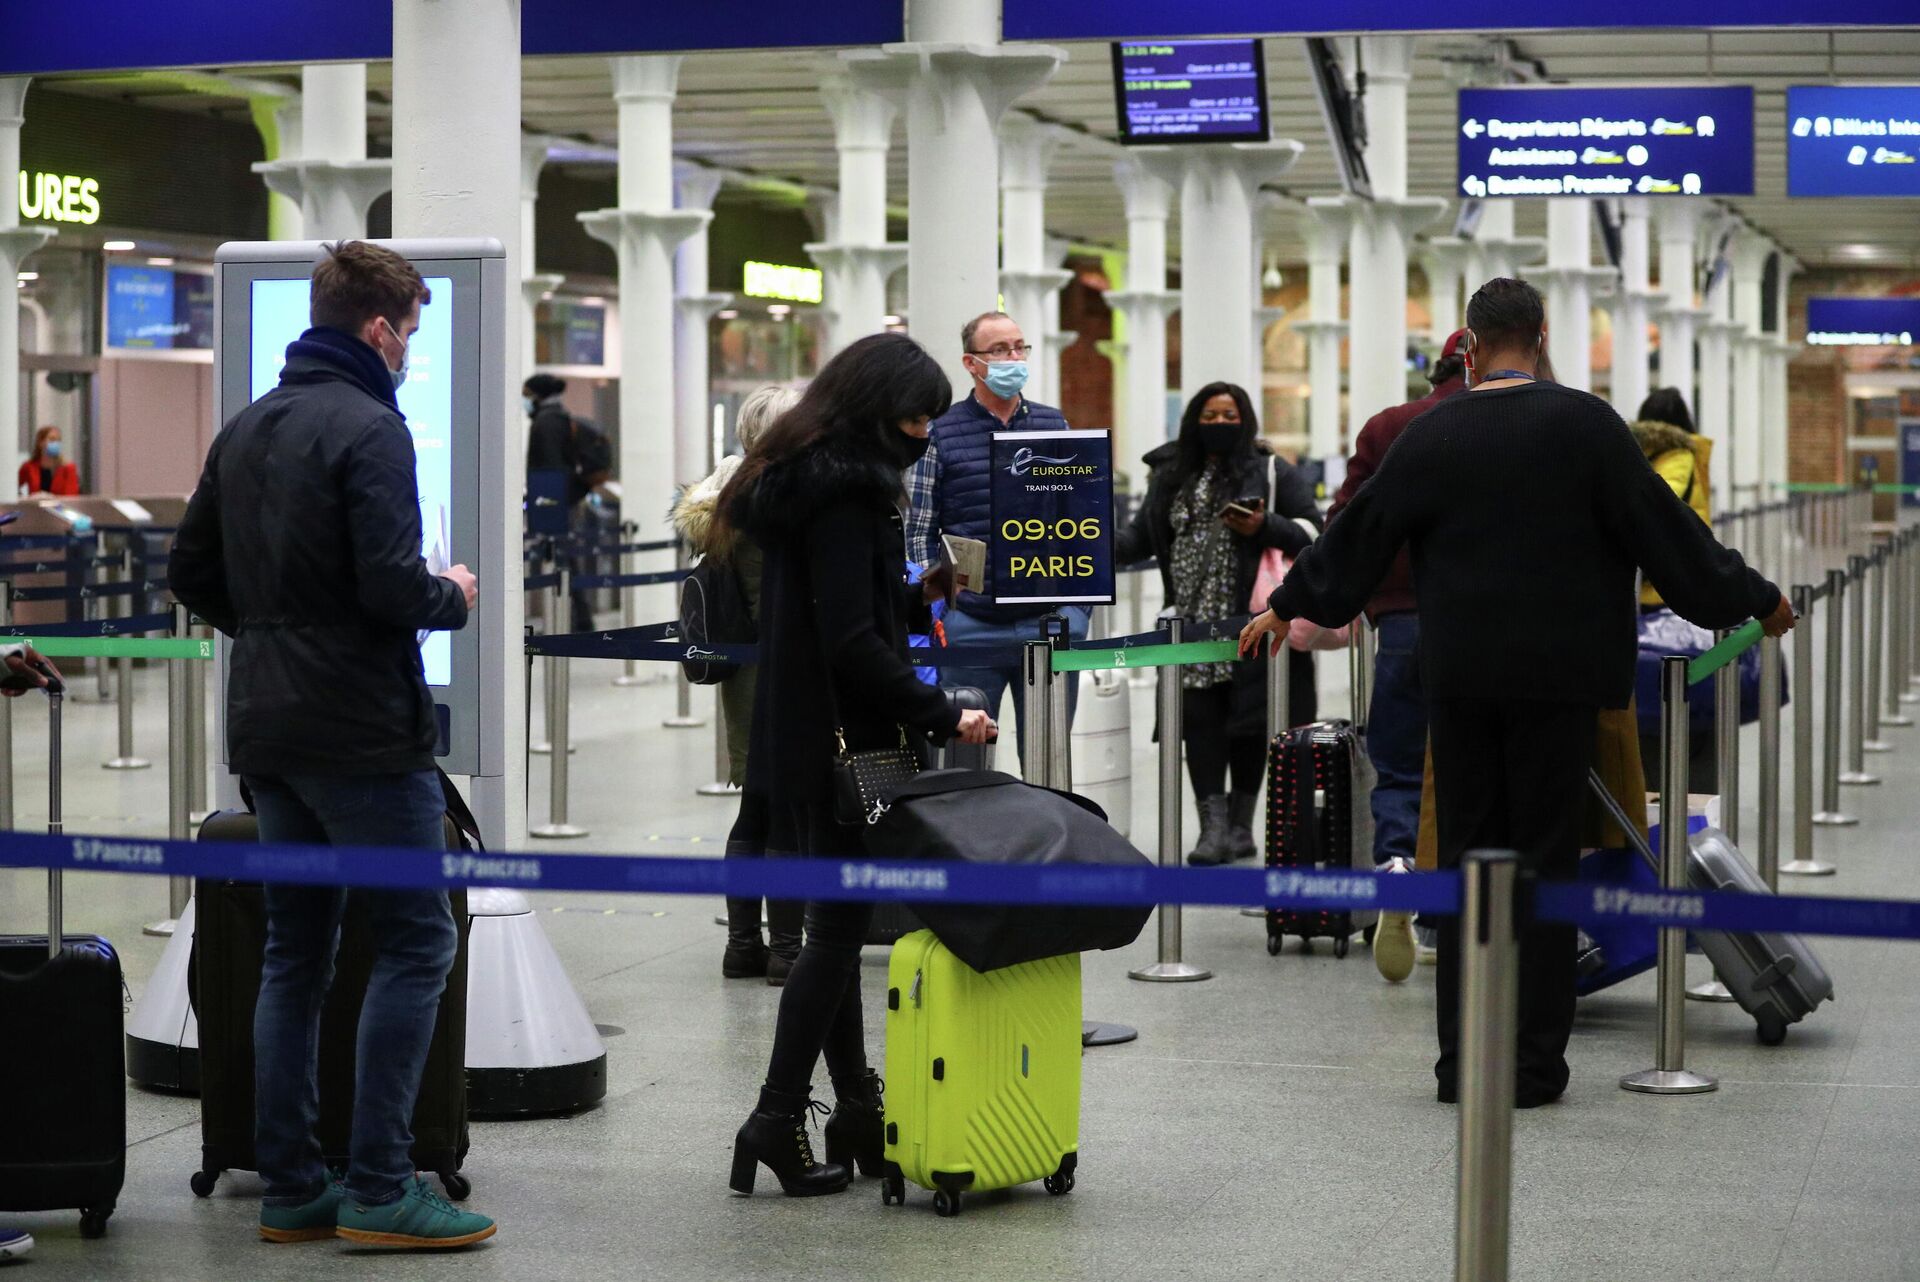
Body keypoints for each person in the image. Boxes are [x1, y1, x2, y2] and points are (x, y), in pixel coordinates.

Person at [1240, 277, 1794, 1109]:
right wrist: (1754, 597)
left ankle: (1461, 1063)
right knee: (1543, 865)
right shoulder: (1587, 425)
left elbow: (1360, 533)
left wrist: (1288, 605)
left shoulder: (1433, 435)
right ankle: (1534, 1068)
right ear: (1537, 335)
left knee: (1465, 865)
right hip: (1563, 683)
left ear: (1467, 343)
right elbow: (1669, 535)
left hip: (1461, 680)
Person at [170, 240, 495, 1248]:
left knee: (295, 953)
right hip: (360, 727)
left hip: (266, 722)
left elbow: (190, 572)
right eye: (410, 334)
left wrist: (271, 631)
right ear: (379, 326)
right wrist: (455, 594)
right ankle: (381, 1187)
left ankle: (292, 1187)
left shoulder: (248, 427)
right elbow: (395, 589)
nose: (409, 354)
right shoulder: (370, 426)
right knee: (416, 937)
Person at [719, 332, 994, 1198]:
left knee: (832, 937)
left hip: (801, 732)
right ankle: (773, 1118)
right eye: (914, 417)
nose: (922, 433)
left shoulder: (804, 479)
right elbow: (851, 643)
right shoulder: (847, 494)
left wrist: (916, 594)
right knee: (834, 938)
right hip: (848, 738)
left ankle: (859, 1108)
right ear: (873, 409)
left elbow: (837, 607)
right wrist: (945, 710)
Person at [1116, 381, 1320, 865]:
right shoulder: (1170, 474)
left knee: (1250, 725)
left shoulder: (1270, 469)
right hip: (1188, 626)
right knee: (1199, 725)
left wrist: (1264, 526)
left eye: (1230, 415)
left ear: (1245, 419)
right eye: (1210, 415)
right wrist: (1083, 545)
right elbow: (1143, 536)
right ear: (1193, 420)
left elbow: (1315, 532)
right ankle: (1211, 830)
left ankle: (1241, 827)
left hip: (1253, 621)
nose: (1220, 424)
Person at [1329, 329, 1468, 981]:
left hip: (1405, 625)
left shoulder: (1390, 426)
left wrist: (1339, 597)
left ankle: (1396, 868)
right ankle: (1454, 912)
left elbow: (1345, 524)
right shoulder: (1525, 420)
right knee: (1473, 770)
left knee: (1402, 766)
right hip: (1492, 628)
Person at [905, 311, 1088, 758]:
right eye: (1000, 350)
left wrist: (1077, 606)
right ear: (971, 363)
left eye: (1019, 347)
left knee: (1048, 759)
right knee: (964, 762)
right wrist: (941, 611)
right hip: (970, 624)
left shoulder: (1053, 426)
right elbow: (919, 532)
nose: (1013, 357)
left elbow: (1080, 523)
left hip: (1047, 619)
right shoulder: (940, 432)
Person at [671, 383, 805, 982]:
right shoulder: (786, 502)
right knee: (786, 814)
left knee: (755, 805)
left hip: (744, 674)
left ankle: (743, 944)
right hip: (794, 670)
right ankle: (787, 949)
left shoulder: (725, 498)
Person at [1631, 387, 1718, 793]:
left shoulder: (1636, 454)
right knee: (1683, 699)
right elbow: (1661, 508)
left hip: (1648, 599)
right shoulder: (1684, 456)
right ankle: (1681, 787)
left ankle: (1656, 782)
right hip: (1673, 597)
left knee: (1652, 698)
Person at [523, 372, 605, 633]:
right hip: (563, 503)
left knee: (562, 562)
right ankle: (577, 619)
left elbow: (549, 470)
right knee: (566, 562)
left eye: (527, 395)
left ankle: (576, 621)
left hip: (555, 507)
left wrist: (544, 506)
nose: (524, 401)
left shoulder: (546, 423)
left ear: (538, 395)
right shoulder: (558, 417)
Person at [17, 426, 79, 497]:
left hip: (61, 507)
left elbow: (72, 496)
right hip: (35, 507)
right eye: (52, 440)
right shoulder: (29, 466)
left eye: (58, 440)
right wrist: (24, 499)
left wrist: (50, 498)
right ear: (40, 442)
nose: (56, 443)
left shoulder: (68, 468)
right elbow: (13, 486)